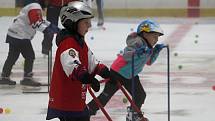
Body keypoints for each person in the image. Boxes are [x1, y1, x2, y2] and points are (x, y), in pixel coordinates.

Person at [87, 19, 166, 120]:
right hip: (118, 73)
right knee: (105, 96)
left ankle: (133, 115)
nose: (156, 40)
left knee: (140, 95)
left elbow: (149, 62)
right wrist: (138, 52)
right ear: (145, 34)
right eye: (154, 37)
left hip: (131, 74)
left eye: (157, 38)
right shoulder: (137, 42)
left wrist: (155, 52)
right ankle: (87, 111)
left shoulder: (148, 47)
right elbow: (126, 56)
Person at [46, 1, 110, 121]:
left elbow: (91, 62)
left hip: (75, 100)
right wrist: (89, 78)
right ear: (73, 23)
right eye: (86, 22)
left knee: (85, 116)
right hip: (66, 102)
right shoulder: (68, 43)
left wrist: (105, 72)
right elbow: (73, 66)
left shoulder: (80, 42)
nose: (89, 26)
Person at [0, 1, 59, 87]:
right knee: (29, 56)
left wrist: (54, 28)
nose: (48, 2)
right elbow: (35, 22)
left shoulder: (34, 6)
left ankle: (4, 76)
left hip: (14, 34)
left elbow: (40, 21)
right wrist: (46, 30)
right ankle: (27, 78)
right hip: (20, 35)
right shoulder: (35, 7)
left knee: (12, 56)